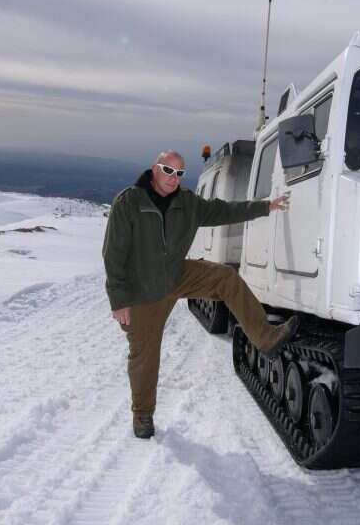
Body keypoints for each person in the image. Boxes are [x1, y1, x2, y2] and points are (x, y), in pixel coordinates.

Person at [103, 149, 298, 439]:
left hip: (175, 274)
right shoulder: (129, 202)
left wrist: (266, 206)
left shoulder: (187, 203)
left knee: (225, 277)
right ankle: (142, 414)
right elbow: (113, 254)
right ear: (155, 169)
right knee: (145, 356)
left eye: (179, 173)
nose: (174, 178)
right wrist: (119, 300)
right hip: (141, 290)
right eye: (168, 171)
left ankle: (265, 337)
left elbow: (225, 211)